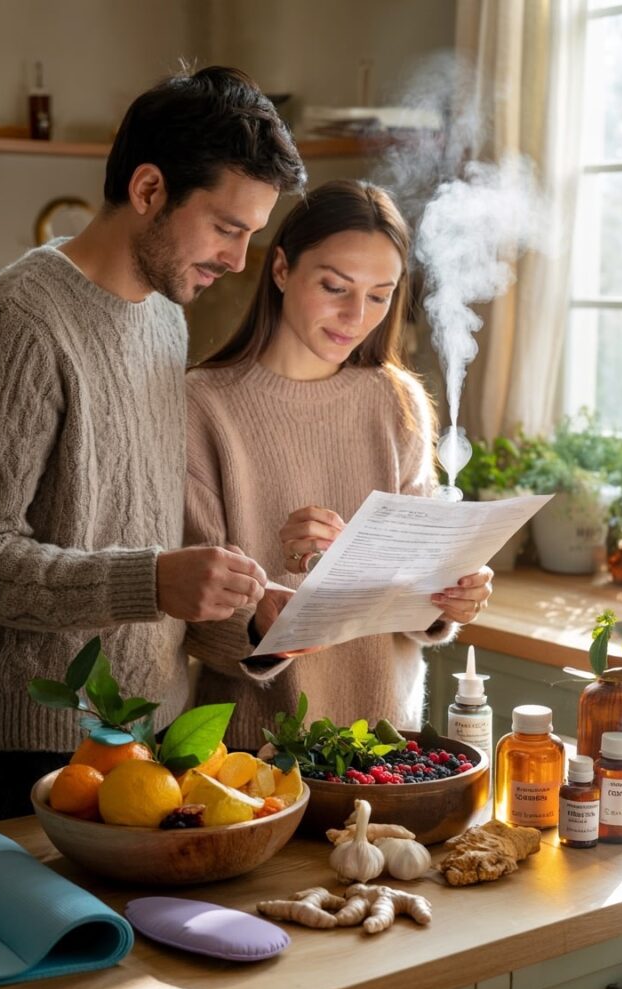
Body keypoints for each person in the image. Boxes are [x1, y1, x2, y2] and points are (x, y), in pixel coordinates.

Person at [0, 66, 307, 826]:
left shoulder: (164, 317)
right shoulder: (22, 323)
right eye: (227, 228)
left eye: (251, 235)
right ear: (147, 191)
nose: (239, 260)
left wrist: (251, 623)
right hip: (41, 756)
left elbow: (138, 548)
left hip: (159, 735)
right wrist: (151, 582)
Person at [185, 180, 494, 751]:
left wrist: (450, 594)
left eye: (380, 295)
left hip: (385, 747)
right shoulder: (203, 405)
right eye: (334, 286)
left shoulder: (396, 401)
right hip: (252, 756)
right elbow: (195, 622)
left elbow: (418, 590)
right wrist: (262, 613)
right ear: (281, 269)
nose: (356, 316)